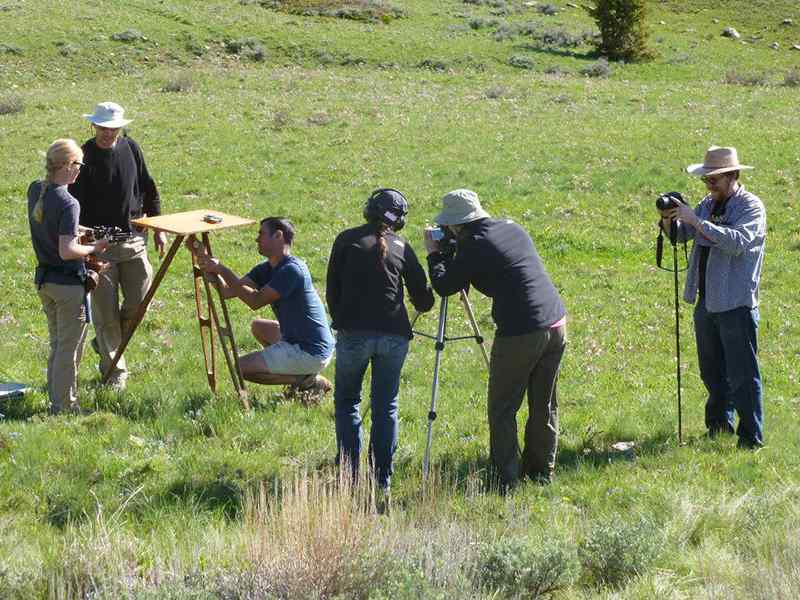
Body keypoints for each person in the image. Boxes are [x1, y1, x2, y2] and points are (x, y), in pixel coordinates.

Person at [423, 189, 567, 489]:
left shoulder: (473, 245)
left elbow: (446, 286)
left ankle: (505, 478)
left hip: (521, 330)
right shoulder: (511, 227)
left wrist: (434, 254)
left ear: (456, 225)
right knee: (544, 402)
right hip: (556, 322)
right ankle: (541, 472)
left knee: (503, 407)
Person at [326, 189, 435, 492]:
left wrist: (343, 321)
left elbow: (332, 290)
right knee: (386, 405)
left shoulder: (346, 239)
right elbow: (424, 300)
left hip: (353, 333)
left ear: (369, 209)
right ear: (399, 220)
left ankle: (349, 476)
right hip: (394, 334)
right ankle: (382, 480)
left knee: (348, 402)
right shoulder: (403, 246)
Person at [659, 146, 766, 449]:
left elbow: (737, 242)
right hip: (706, 301)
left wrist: (695, 221)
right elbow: (683, 236)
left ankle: (751, 439)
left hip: (736, 302)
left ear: (733, 175)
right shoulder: (708, 203)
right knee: (712, 371)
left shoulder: (751, 207)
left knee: (743, 375)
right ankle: (719, 427)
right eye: (706, 179)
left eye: (714, 179)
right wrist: (670, 221)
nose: (709, 184)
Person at [68, 101, 166, 390]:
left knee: (139, 305)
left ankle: (106, 344)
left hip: (135, 240)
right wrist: (83, 243)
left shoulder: (131, 148)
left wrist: (158, 228)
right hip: (98, 247)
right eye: (102, 128)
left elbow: (148, 187)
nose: (108, 133)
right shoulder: (82, 156)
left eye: (113, 128)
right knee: (105, 313)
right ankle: (115, 372)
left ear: (120, 127)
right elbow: (71, 204)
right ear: (93, 126)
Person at [194, 217, 335, 394]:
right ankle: (298, 373)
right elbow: (228, 292)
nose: (256, 238)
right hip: (298, 339)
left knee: (239, 367)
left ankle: (306, 380)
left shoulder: (292, 270)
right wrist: (207, 264)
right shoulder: (266, 268)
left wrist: (221, 269)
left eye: (261, 233)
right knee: (258, 326)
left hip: (312, 350)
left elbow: (255, 301)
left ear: (278, 236)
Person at [28, 139, 109, 413]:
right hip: (67, 286)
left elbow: (50, 224)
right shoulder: (68, 201)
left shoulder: (36, 190)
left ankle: (57, 399)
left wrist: (80, 228)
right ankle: (64, 406)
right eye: (78, 164)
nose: (80, 170)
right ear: (66, 165)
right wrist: (95, 247)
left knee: (57, 344)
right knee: (69, 349)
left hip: (45, 281)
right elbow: (67, 250)